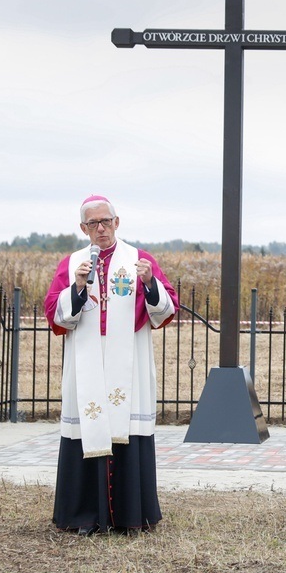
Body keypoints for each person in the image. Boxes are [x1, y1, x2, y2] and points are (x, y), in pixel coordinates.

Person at [43, 194, 178, 535]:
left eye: (106, 221)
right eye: (93, 223)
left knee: (126, 427)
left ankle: (130, 516)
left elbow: (167, 310)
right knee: (85, 427)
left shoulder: (139, 259)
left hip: (127, 358)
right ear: (83, 228)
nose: (100, 228)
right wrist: (76, 286)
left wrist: (149, 284)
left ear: (117, 223)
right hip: (87, 357)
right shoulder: (73, 263)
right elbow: (55, 315)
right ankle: (83, 515)